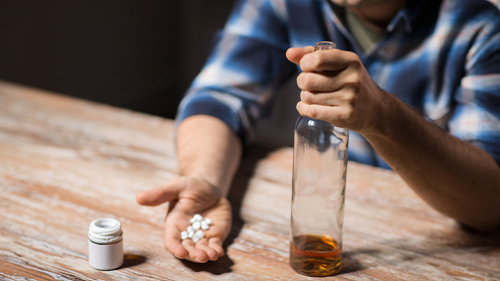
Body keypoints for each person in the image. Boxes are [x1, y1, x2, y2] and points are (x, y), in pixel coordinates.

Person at [136, 0, 500, 263]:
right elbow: (219, 97)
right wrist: (206, 180)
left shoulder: (481, 28)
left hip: (424, 241)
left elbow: (488, 204)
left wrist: (383, 116)